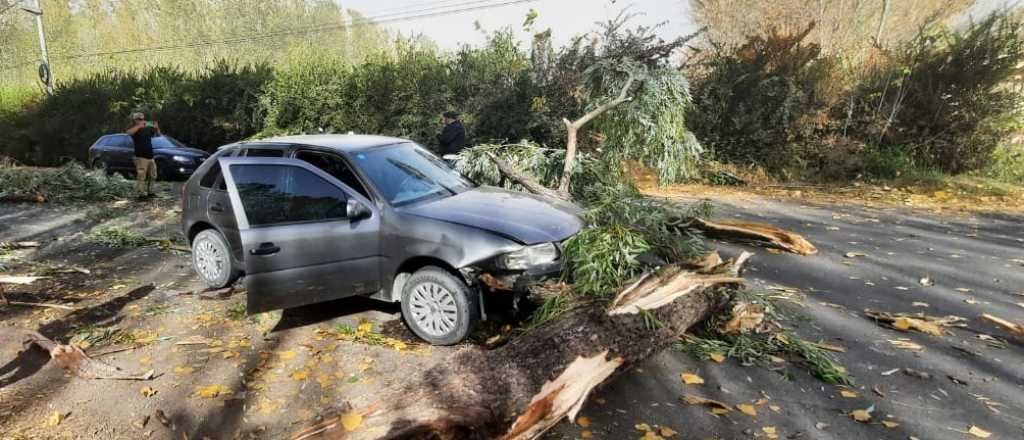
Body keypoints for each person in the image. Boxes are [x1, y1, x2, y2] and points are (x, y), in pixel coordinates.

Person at [126, 112, 161, 199]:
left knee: (153, 175)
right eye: (140, 119)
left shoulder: (148, 127)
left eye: (142, 119)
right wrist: (139, 126)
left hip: (150, 155)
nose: (142, 120)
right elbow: (128, 133)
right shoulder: (134, 128)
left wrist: (157, 128)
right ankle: (140, 194)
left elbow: (158, 135)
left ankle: (151, 192)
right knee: (141, 176)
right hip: (140, 156)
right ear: (135, 120)